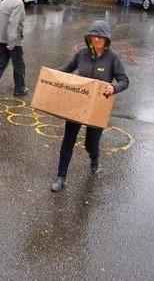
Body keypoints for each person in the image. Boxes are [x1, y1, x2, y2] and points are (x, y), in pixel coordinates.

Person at [51, 20, 129, 192]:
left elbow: (124, 81)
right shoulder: (82, 54)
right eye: (94, 37)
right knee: (68, 140)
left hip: (98, 107)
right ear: (89, 38)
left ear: (107, 39)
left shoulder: (113, 58)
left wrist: (114, 87)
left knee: (90, 143)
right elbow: (68, 69)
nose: (97, 40)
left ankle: (95, 159)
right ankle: (61, 177)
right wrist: (51, 76)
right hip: (78, 104)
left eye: (101, 38)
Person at [0, 0, 27, 97]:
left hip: (1, 38)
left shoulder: (6, 0)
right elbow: (13, 23)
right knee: (19, 65)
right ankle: (20, 89)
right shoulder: (18, 3)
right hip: (13, 41)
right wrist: (11, 42)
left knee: (1, 64)